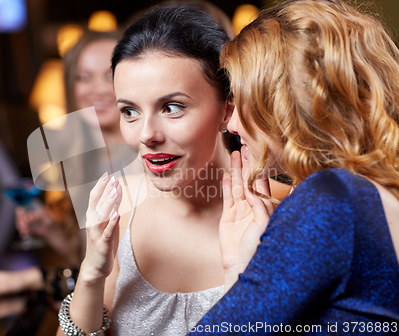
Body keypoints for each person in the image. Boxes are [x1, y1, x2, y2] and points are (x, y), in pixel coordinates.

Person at [56, 6, 290, 336]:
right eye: (130, 111)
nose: (146, 134)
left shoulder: (287, 213)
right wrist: (92, 271)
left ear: (227, 109)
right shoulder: (120, 206)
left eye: (172, 107)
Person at [189, 0, 399, 334]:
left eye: (240, 98)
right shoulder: (367, 193)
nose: (231, 124)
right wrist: (240, 269)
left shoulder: (331, 200)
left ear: (281, 103)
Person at [0, 29, 123, 302]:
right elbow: (93, 261)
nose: (96, 89)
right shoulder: (89, 160)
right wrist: (53, 232)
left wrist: (29, 278)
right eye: (83, 77)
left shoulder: (150, 163)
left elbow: (125, 280)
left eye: (109, 76)